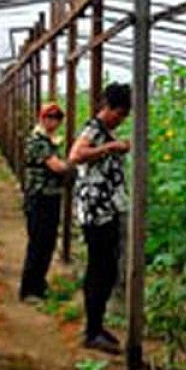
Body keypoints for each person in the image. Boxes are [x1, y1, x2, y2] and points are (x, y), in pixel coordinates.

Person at [68, 82, 132, 354]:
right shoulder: (94, 129)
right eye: (120, 114)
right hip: (96, 213)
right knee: (99, 269)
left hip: (106, 210)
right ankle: (92, 331)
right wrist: (110, 148)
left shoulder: (104, 131)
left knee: (106, 270)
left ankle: (97, 325)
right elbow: (75, 155)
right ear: (110, 109)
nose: (121, 120)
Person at [19, 102, 72, 301]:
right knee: (38, 243)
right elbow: (56, 166)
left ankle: (39, 285)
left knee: (47, 243)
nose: (54, 121)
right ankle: (29, 289)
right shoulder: (37, 141)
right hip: (39, 197)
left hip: (50, 196)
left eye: (57, 118)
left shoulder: (50, 141)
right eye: (50, 117)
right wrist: (73, 164)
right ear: (42, 118)